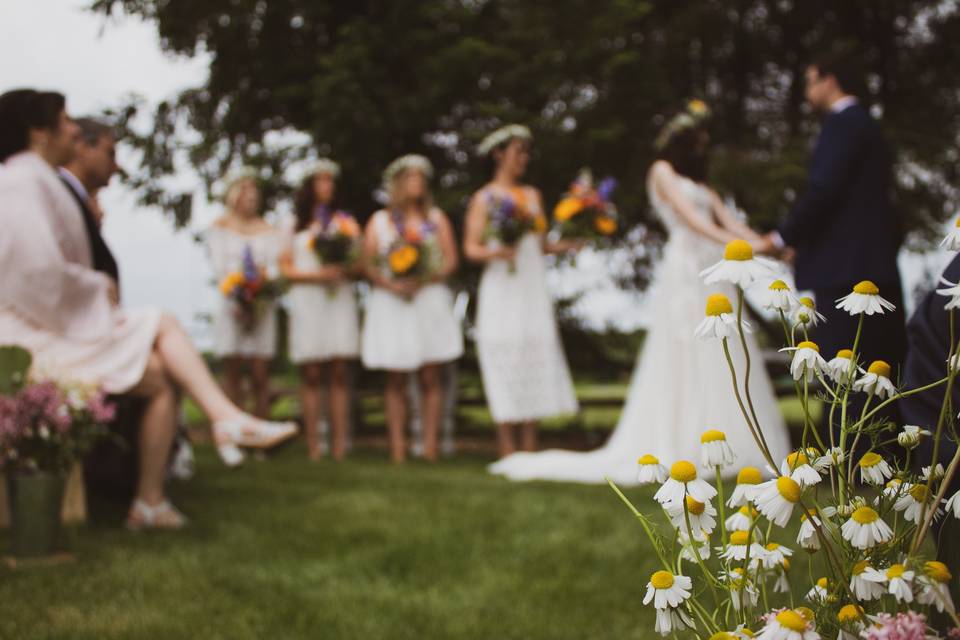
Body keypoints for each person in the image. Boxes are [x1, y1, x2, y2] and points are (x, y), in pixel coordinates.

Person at [0, 88, 296, 529]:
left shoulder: (35, 179)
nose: (74, 129)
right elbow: (33, 275)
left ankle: (150, 500)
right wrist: (98, 288)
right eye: (64, 121)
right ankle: (225, 420)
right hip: (22, 336)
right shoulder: (21, 182)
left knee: (159, 375)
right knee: (161, 322)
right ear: (38, 131)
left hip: (47, 323)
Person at [488, 106, 791, 484]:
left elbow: (729, 222)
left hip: (712, 271)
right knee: (686, 350)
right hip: (684, 269)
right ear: (683, 139)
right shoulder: (661, 171)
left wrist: (766, 243)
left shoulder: (703, 184)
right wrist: (745, 248)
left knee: (722, 350)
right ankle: (684, 440)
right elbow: (692, 221)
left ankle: (729, 443)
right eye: (699, 138)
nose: (704, 145)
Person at [755, 50, 906, 434]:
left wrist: (783, 236)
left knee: (845, 369)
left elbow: (825, 190)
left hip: (846, 270)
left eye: (810, 81)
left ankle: (850, 462)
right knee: (877, 368)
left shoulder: (843, 125)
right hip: (873, 264)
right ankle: (879, 455)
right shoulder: (869, 126)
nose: (807, 91)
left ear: (829, 79)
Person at [462, 125, 580, 460]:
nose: (524, 159)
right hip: (501, 286)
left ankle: (531, 446)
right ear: (499, 154)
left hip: (531, 286)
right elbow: (471, 248)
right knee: (504, 354)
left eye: (526, 153)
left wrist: (569, 243)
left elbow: (541, 245)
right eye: (518, 152)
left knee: (534, 352)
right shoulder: (484, 198)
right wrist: (496, 252)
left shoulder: (533, 196)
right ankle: (506, 446)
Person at [360, 154, 462, 463]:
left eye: (422, 178)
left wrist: (425, 277)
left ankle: (430, 447)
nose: (417, 183)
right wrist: (391, 284)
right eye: (412, 177)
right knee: (396, 377)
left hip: (427, 301)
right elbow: (367, 263)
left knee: (431, 376)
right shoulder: (379, 220)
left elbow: (451, 260)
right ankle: (398, 449)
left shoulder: (437, 219)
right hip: (392, 303)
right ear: (399, 183)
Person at [279, 159, 360, 461]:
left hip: (337, 298)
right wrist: (317, 276)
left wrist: (342, 268)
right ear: (310, 186)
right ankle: (314, 443)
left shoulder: (344, 224)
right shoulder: (292, 224)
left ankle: (340, 443)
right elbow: (285, 268)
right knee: (311, 372)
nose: (327, 187)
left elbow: (358, 262)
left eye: (331, 181)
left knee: (339, 370)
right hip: (309, 300)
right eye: (321, 181)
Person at [206, 170, 285, 419]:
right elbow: (219, 269)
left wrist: (260, 287)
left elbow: (274, 267)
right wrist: (239, 292)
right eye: (245, 190)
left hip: (262, 305)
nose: (251, 196)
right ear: (235, 195)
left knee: (261, 373)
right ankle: (235, 427)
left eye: (254, 191)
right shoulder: (219, 227)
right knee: (233, 373)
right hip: (232, 304)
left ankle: (262, 429)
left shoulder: (268, 228)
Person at [59, 117, 119, 286]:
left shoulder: (77, 202)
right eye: (110, 153)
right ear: (83, 147)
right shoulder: (60, 198)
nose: (116, 166)